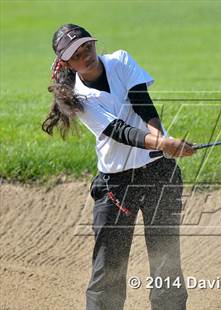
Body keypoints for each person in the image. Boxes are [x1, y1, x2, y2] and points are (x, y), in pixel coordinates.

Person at [42, 24, 195, 310]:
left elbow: (144, 105)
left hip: (160, 174)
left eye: (87, 46)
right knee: (108, 267)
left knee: (166, 261)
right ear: (66, 62)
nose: (85, 55)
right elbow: (120, 131)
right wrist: (162, 144)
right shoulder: (77, 97)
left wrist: (162, 142)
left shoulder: (121, 61)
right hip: (117, 185)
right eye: (76, 55)